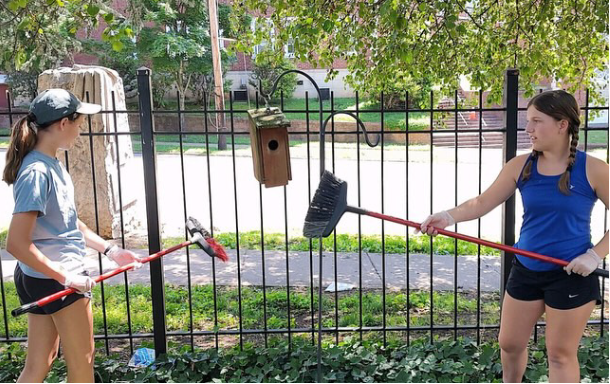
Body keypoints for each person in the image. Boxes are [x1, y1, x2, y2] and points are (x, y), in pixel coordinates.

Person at [417, 90, 608, 382]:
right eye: (527, 121)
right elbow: (482, 202)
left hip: (571, 274)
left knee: (559, 353)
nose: (528, 129)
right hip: (526, 268)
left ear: (562, 124)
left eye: (536, 121)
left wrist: (595, 255)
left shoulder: (593, 169)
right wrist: (448, 216)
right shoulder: (521, 166)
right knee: (509, 343)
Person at [3, 89, 142, 382]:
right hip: (55, 278)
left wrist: (111, 250)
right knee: (83, 362)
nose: (81, 130)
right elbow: (16, 243)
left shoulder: (50, 164)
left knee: (41, 361)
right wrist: (66, 277)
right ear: (63, 123)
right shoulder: (37, 172)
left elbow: (67, 221)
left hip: (44, 277)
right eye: (79, 122)